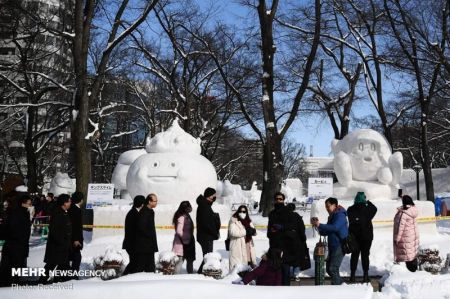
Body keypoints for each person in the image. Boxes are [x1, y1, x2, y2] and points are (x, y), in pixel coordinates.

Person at [267, 192, 306, 286]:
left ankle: (286, 291)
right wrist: (271, 233)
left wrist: (282, 227)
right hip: (275, 245)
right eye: (276, 199)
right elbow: (269, 230)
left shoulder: (289, 212)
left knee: (285, 272)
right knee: (275, 271)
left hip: (287, 246)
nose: (278, 200)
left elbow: (294, 226)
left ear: (283, 200)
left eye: (280, 199)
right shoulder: (272, 213)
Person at [311, 197, 348, 285]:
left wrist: (320, 224)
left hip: (340, 244)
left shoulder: (340, 215)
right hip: (332, 245)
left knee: (333, 268)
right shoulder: (332, 216)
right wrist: (318, 227)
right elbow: (327, 231)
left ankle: (338, 288)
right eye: (326, 207)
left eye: (328, 206)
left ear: (334, 205)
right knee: (329, 269)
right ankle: (341, 285)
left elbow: (335, 227)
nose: (327, 208)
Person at [0, 194, 32, 286]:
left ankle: (13, 282)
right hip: (15, 245)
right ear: (23, 203)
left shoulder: (24, 212)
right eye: (29, 204)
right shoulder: (17, 213)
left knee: (15, 267)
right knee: (11, 267)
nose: (30, 206)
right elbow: (12, 229)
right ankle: (9, 284)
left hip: (18, 245)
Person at [347, 192, 377, 283]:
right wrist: (368, 202)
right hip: (366, 237)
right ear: (363, 199)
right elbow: (375, 208)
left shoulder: (350, 209)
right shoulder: (368, 209)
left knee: (354, 256)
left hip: (354, 237)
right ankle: (365, 276)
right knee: (365, 256)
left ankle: (352, 276)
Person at [43, 194, 72, 283]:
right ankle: (42, 281)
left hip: (62, 246)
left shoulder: (63, 213)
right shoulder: (57, 213)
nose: (70, 203)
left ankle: (60, 280)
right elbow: (55, 231)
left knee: (62, 265)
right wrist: (62, 242)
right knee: (51, 265)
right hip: (56, 246)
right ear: (64, 203)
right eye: (69, 201)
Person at [196, 187, 221, 274]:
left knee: (207, 256)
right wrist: (214, 233)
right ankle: (201, 273)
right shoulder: (204, 206)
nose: (215, 197)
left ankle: (202, 273)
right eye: (214, 195)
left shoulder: (205, 205)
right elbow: (206, 223)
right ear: (209, 196)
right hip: (205, 236)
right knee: (208, 257)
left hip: (206, 236)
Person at [393, 195, 419, 272]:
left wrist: (396, 239)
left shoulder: (403, 214)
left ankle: (410, 270)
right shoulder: (413, 210)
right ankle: (414, 268)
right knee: (411, 253)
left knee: (407, 254)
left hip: (405, 237)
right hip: (412, 235)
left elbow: (399, 227)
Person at [228, 205, 257, 271]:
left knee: (249, 263)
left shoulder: (248, 220)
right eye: (240, 211)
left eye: (244, 211)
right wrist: (246, 231)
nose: (242, 213)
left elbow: (254, 231)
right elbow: (233, 232)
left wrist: (253, 231)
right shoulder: (233, 220)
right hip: (238, 245)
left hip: (248, 245)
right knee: (238, 267)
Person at [135, 193, 158, 272]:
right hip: (145, 245)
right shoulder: (144, 212)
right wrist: (150, 236)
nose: (156, 203)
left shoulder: (150, 211)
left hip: (149, 245)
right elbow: (142, 227)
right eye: (155, 201)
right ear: (149, 201)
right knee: (143, 266)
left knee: (150, 265)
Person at [122, 195, 145, 275]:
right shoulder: (133, 214)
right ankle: (125, 276)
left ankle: (126, 275)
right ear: (142, 204)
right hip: (132, 244)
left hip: (133, 244)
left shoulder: (134, 212)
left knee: (134, 262)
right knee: (134, 263)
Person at [172, 201, 196, 274]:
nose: (190, 208)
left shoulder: (185, 215)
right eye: (189, 206)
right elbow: (179, 230)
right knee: (180, 261)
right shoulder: (182, 217)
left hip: (187, 243)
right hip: (183, 243)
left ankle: (189, 277)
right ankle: (177, 279)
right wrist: (186, 239)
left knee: (189, 260)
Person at [68, 191, 84, 276]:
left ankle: (71, 275)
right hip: (74, 239)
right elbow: (75, 226)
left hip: (72, 238)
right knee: (76, 258)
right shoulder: (75, 210)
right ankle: (73, 276)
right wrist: (76, 239)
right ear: (81, 200)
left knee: (73, 258)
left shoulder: (72, 208)